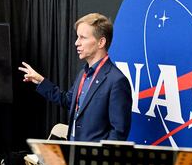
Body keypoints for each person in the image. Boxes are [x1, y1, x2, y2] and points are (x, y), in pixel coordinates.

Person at [19, 13, 132, 142]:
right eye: (77, 37)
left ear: (101, 42)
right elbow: (68, 100)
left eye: (82, 38)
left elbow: (118, 132)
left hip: (93, 159)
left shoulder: (117, 81)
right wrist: (41, 81)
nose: (76, 43)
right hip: (74, 152)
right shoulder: (83, 73)